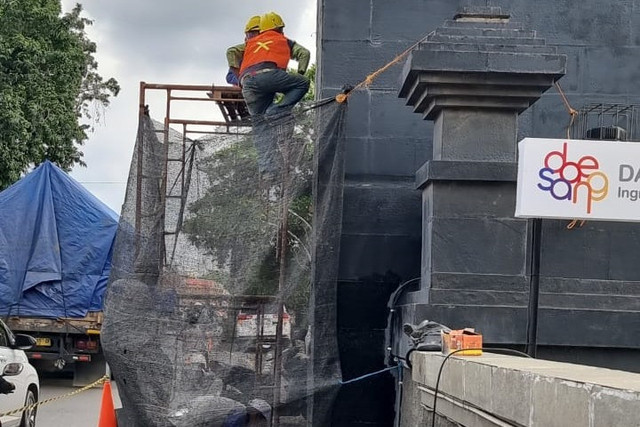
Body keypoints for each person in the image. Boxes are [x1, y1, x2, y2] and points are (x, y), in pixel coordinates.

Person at [239, 12, 311, 117]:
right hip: (268, 76)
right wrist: (300, 73)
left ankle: (263, 130)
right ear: (279, 28)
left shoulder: (250, 43)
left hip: (247, 84)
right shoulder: (282, 40)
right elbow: (305, 54)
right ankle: (278, 110)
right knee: (302, 83)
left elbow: (232, 52)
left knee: (259, 121)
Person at [226, 16, 261, 86]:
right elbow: (230, 77)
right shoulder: (241, 55)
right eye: (251, 34)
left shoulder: (268, 53)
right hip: (244, 89)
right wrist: (241, 80)